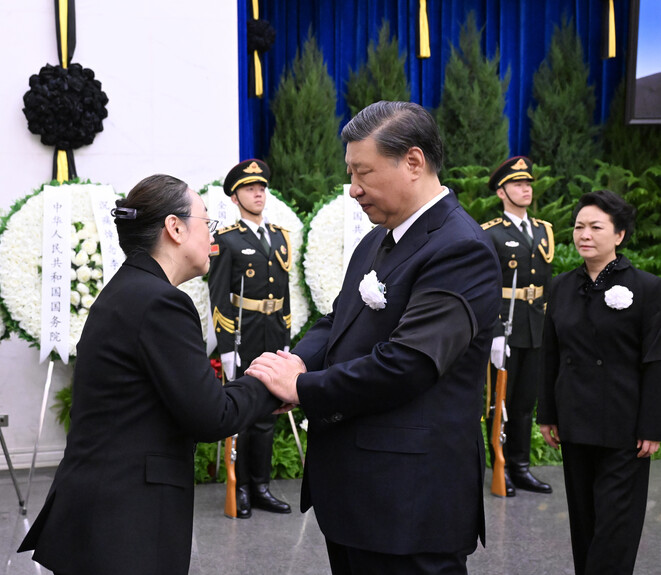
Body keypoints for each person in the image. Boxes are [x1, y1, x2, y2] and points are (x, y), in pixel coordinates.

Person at [246, 101, 501, 575]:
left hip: (409, 504)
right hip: (358, 498)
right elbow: (337, 320)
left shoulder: (459, 248)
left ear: (413, 162)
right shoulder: (378, 237)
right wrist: (296, 363)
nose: (353, 189)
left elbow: (409, 363)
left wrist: (301, 389)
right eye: (349, 173)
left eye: (363, 172)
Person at [18, 175, 280, 575]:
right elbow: (212, 417)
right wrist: (271, 382)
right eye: (205, 224)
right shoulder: (161, 303)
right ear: (175, 228)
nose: (212, 238)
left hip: (100, 511)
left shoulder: (128, 288)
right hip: (125, 523)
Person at [538, 190, 661, 575]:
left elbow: (655, 359)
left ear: (619, 235)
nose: (584, 234)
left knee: (615, 528)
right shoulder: (560, 286)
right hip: (575, 420)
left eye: (595, 227)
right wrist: (548, 414)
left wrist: (652, 425)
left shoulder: (646, 287)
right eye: (578, 226)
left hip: (624, 426)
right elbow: (550, 353)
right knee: (585, 523)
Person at [207, 159, 292, 518]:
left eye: (261, 188)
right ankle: (239, 487)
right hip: (242, 334)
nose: (258, 193)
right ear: (235, 196)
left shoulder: (279, 235)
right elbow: (218, 295)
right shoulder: (226, 239)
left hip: (272, 330)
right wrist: (226, 348)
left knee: (268, 411)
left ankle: (260, 486)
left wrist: (286, 336)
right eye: (249, 188)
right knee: (243, 412)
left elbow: (284, 289)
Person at [481, 156, 554, 496]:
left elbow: (546, 284)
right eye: (517, 184)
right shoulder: (491, 234)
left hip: (534, 326)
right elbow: (485, 287)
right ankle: (501, 465)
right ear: (501, 192)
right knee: (500, 401)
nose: (526, 189)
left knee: (525, 402)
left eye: (528, 184)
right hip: (505, 328)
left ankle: (521, 466)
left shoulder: (543, 231)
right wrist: (494, 332)